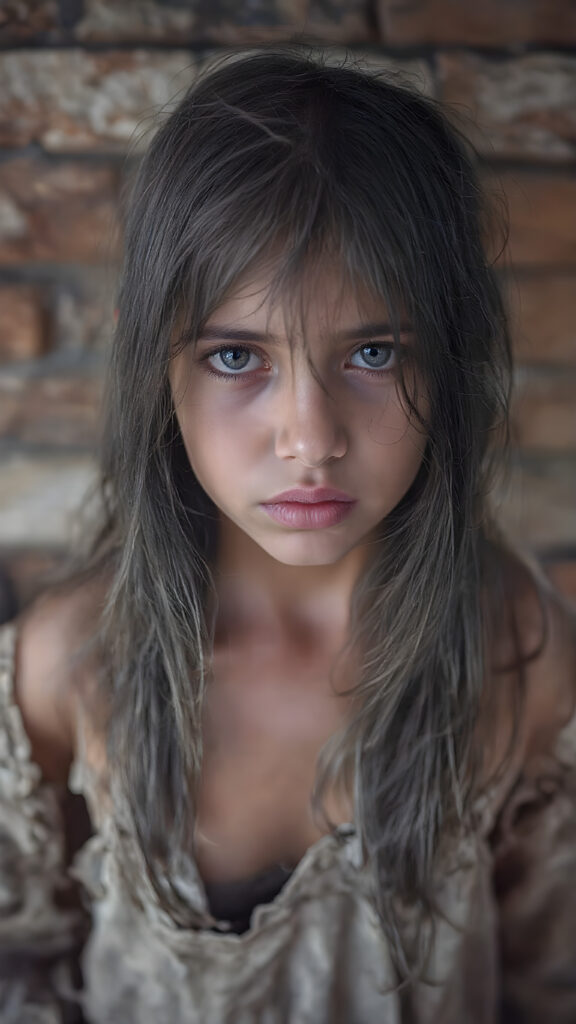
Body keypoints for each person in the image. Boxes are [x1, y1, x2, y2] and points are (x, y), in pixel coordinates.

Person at [0, 47, 575, 1024]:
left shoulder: (514, 655)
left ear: (449, 355)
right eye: (237, 356)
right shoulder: (75, 663)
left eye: (374, 352)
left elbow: (552, 980)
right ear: (156, 363)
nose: (310, 439)